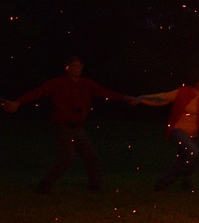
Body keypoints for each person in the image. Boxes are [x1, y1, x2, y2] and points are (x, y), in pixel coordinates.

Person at [2, 56, 137, 192]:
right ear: (67, 68)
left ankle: (94, 185)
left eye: (80, 66)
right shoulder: (57, 83)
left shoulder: (87, 84)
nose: (77, 69)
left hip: (77, 127)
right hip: (62, 126)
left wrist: (125, 98)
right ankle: (45, 185)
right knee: (67, 157)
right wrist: (18, 102)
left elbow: (106, 93)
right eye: (74, 66)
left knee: (91, 156)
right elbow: (37, 93)